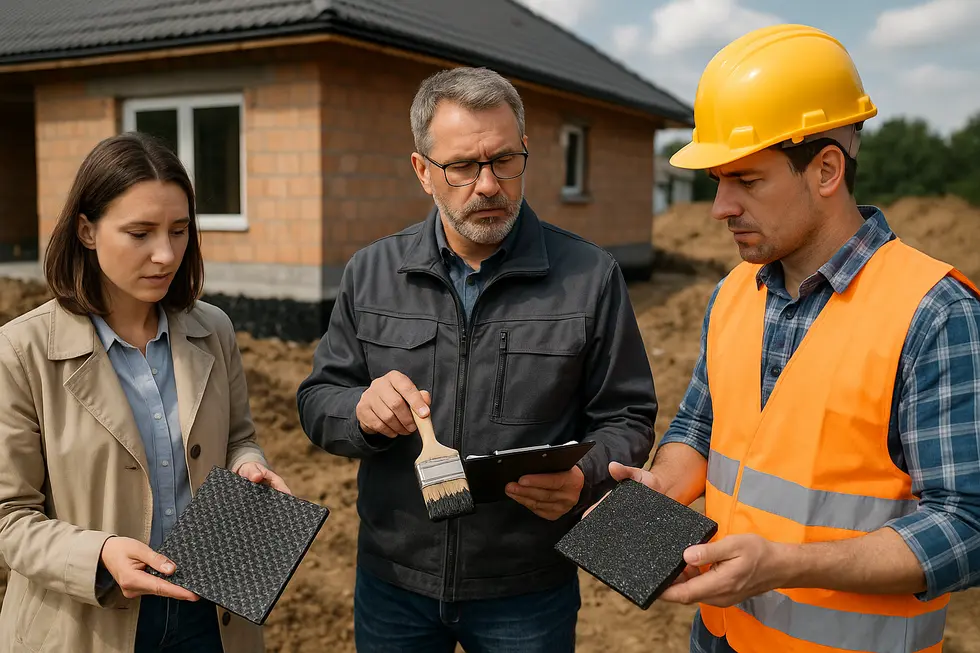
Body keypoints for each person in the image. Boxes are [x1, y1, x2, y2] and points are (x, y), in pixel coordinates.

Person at [604, 24, 980, 653]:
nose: (719, 207)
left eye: (746, 181)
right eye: (719, 181)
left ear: (827, 169)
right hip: (722, 637)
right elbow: (701, 429)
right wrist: (661, 490)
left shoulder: (935, 314)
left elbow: (968, 526)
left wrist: (785, 564)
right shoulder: (734, 292)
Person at [296, 66, 658, 651]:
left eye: (504, 161)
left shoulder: (590, 277)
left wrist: (582, 478)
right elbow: (317, 400)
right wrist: (360, 412)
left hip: (527, 586)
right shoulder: (371, 273)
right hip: (395, 582)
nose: (488, 184)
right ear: (423, 172)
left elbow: (628, 416)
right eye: (463, 166)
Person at [0, 132, 291, 653]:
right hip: (88, 622)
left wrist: (248, 467)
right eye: (140, 233)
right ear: (87, 231)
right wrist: (101, 554)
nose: (165, 254)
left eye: (179, 231)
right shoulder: (21, 351)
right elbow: (9, 518)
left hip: (214, 614)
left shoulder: (214, 329)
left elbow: (239, 438)